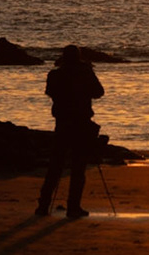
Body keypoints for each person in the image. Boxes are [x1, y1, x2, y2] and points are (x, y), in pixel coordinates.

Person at [35, 44, 104, 219]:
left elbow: (50, 92)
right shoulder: (85, 73)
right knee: (78, 167)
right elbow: (99, 92)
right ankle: (73, 207)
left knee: (55, 166)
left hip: (62, 124)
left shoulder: (55, 74)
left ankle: (43, 206)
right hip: (81, 124)